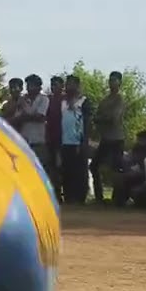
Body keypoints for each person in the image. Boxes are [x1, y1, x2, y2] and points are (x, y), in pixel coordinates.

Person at [91, 71, 126, 203]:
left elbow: (114, 118)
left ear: (119, 83)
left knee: (117, 168)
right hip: (105, 138)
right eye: (110, 80)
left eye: (114, 80)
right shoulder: (105, 100)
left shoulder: (120, 99)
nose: (111, 83)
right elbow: (96, 118)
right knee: (94, 166)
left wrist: (102, 118)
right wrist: (102, 119)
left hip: (117, 138)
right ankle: (99, 197)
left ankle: (118, 198)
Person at [59, 75, 91, 204]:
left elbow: (87, 122)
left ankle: (80, 197)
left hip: (78, 141)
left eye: (71, 84)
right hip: (65, 141)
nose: (68, 87)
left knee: (80, 171)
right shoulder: (63, 103)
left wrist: (84, 141)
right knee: (67, 170)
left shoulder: (83, 101)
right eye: (67, 84)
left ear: (77, 86)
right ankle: (68, 196)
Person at [16, 74, 51, 169]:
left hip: (37, 142)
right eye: (27, 85)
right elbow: (18, 117)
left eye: (30, 85)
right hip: (24, 141)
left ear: (38, 86)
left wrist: (26, 114)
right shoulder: (23, 99)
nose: (27, 88)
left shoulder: (44, 99)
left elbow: (40, 117)